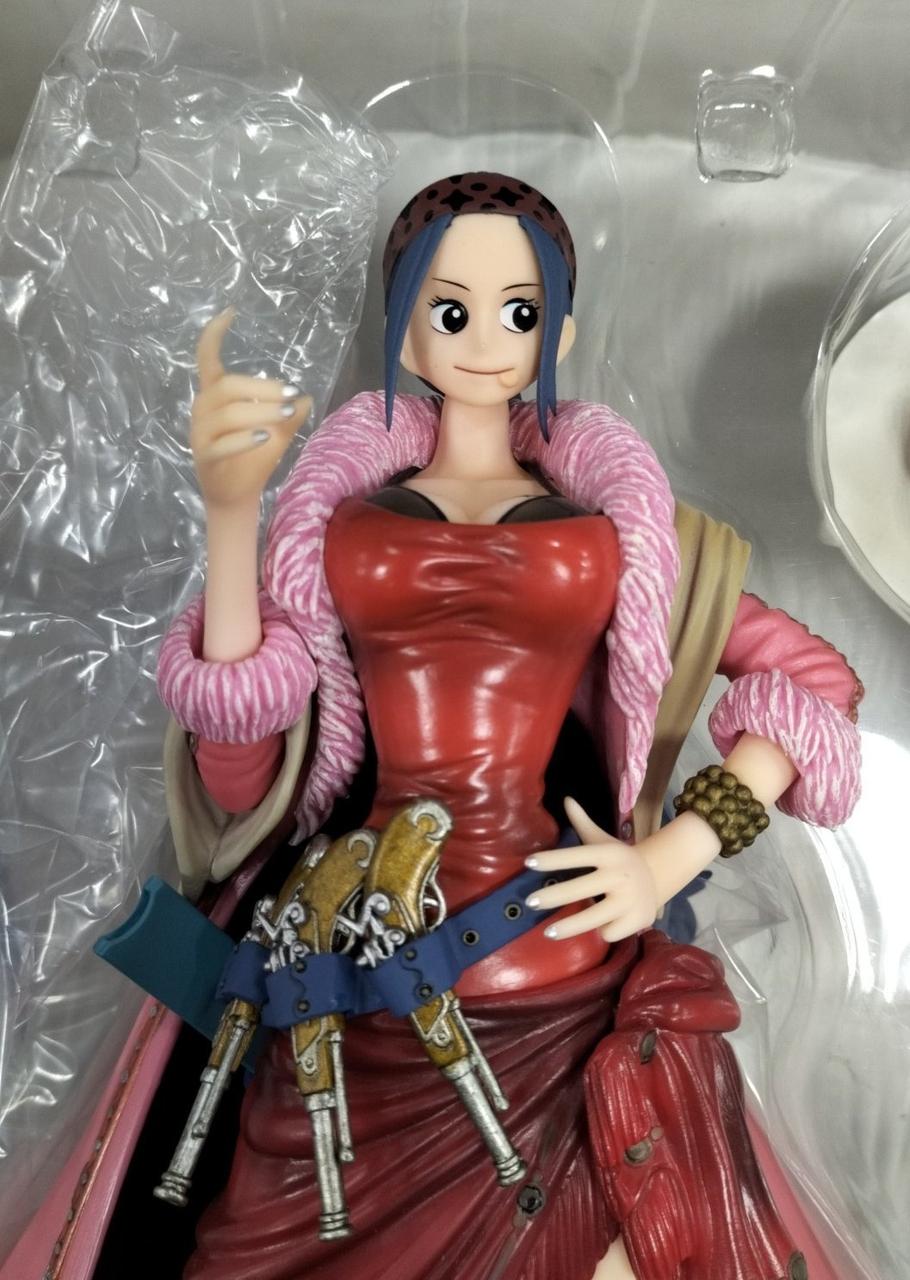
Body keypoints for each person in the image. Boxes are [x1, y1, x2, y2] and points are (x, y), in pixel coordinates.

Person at [156, 173, 862, 1279]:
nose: (486, 340)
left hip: (554, 963)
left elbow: (814, 684)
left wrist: (670, 855)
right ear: (404, 327)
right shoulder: (329, 525)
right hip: (352, 971)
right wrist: (233, 515)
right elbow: (242, 784)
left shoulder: (625, 537)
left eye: (520, 311)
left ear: (559, 331)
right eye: (450, 310)